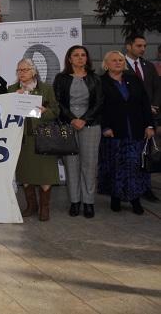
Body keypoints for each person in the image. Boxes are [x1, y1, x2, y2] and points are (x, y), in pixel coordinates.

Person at [99, 51, 154, 215]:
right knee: (116, 167)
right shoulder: (101, 82)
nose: (118, 63)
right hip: (113, 133)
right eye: (114, 60)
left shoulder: (134, 79)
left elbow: (145, 103)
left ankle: (135, 199)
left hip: (136, 132)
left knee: (134, 166)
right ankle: (115, 197)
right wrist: (105, 127)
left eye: (121, 60)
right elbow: (98, 107)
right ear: (106, 64)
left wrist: (150, 125)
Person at [53, 45, 103, 218]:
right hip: (68, 124)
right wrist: (72, 119)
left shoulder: (95, 78)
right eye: (76, 55)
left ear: (87, 58)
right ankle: (75, 202)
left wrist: (84, 119)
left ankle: (88, 202)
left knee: (89, 165)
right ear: (69, 59)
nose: (80, 58)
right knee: (71, 165)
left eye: (83, 55)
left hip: (91, 125)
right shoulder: (61, 78)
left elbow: (99, 103)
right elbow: (58, 102)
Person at [8, 59, 60, 221]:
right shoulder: (12, 89)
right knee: (25, 174)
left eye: (24, 70)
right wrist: (12, 100)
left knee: (45, 174)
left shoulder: (46, 89)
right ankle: (31, 206)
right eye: (19, 70)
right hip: (22, 139)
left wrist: (45, 111)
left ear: (33, 71)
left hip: (43, 138)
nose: (21, 73)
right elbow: (5, 113)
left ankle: (44, 208)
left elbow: (56, 111)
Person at [124, 34, 161, 203]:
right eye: (139, 45)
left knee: (147, 155)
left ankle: (146, 188)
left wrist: (154, 108)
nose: (143, 49)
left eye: (144, 46)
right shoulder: (118, 65)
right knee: (130, 156)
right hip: (128, 119)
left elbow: (157, 89)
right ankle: (131, 190)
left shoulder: (148, 66)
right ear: (129, 46)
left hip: (149, 118)